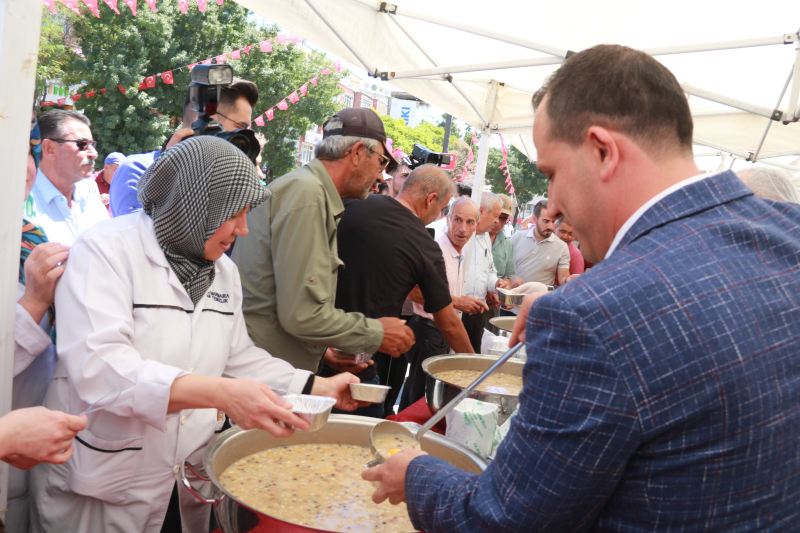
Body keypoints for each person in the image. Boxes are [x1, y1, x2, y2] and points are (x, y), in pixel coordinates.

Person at [363, 44, 800, 532]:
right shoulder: (788, 230)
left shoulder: (592, 316)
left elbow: (506, 520)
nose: (552, 202)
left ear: (602, 151)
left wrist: (418, 476)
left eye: (552, 174)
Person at [30, 137, 363, 533]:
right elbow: (100, 369)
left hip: (185, 472)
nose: (242, 228)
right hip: (107, 477)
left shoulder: (222, 271)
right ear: (195, 202)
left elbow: (237, 356)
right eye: (233, 214)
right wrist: (218, 394)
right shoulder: (106, 250)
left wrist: (314, 386)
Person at [232, 108, 414, 373]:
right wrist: (377, 332)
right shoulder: (308, 195)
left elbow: (283, 301)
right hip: (265, 377)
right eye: (382, 162)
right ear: (358, 152)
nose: (379, 176)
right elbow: (301, 314)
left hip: (270, 370)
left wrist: (319, 348)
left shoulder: (306, 190)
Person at [325, 165, 472, 417]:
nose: (438, 216)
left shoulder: (352, 205)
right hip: (357, 366)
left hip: (313, 350)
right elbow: (448, 323)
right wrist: (475, 367)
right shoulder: (424, 245)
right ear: (431, 199)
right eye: (442, 209)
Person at [7, 115, 82, 532]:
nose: (25, 168)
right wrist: (36, 300)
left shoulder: (27, 236)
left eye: (28, 153)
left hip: (38, 429)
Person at [110, 78, 259, 216]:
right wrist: (168, 176)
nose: (245, 138)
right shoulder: (136, 169)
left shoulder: (225, 182)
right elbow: (139, 237)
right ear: (206, 123)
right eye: (241, 127)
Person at [399, 196, 482, 410]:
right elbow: (413, 291)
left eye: (469, 222)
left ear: (476, 226)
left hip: (437, 334)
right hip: (426, 332)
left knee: (417, 397)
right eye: (458, 220)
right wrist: (456, 302)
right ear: (447, 219)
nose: (462, 228)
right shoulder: (436, 249)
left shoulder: (457, 251)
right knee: (419, 402)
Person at [29, 110, 109, 245]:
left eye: (92, 144)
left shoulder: (91, 202)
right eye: (82, 144)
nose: (94, 154)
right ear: (49, 149)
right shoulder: (23, 204)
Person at [460, 191, 509, 352]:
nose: (497, 221)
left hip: (477, 311)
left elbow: (490, 270)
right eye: (495, 216)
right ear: (481, 211)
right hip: (456, 309)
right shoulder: (460, 235)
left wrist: (496, 284)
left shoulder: (486, 237)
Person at [510, 199, 570, 286]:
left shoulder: (562, 247)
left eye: (553, 221)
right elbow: (503, 267)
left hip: (538, 298)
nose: (550, 226)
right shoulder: (517, 237)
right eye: (546, 221)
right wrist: (512, 278)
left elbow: (563, 278)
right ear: (534, 219)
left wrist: (570, 279)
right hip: (511, 296)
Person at [554, 217, 584, 284]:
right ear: (555, 228)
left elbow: (576, 284)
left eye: (570, 234)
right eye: (562, 231)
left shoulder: (576, 255)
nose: (565, 237)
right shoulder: (545, 244)